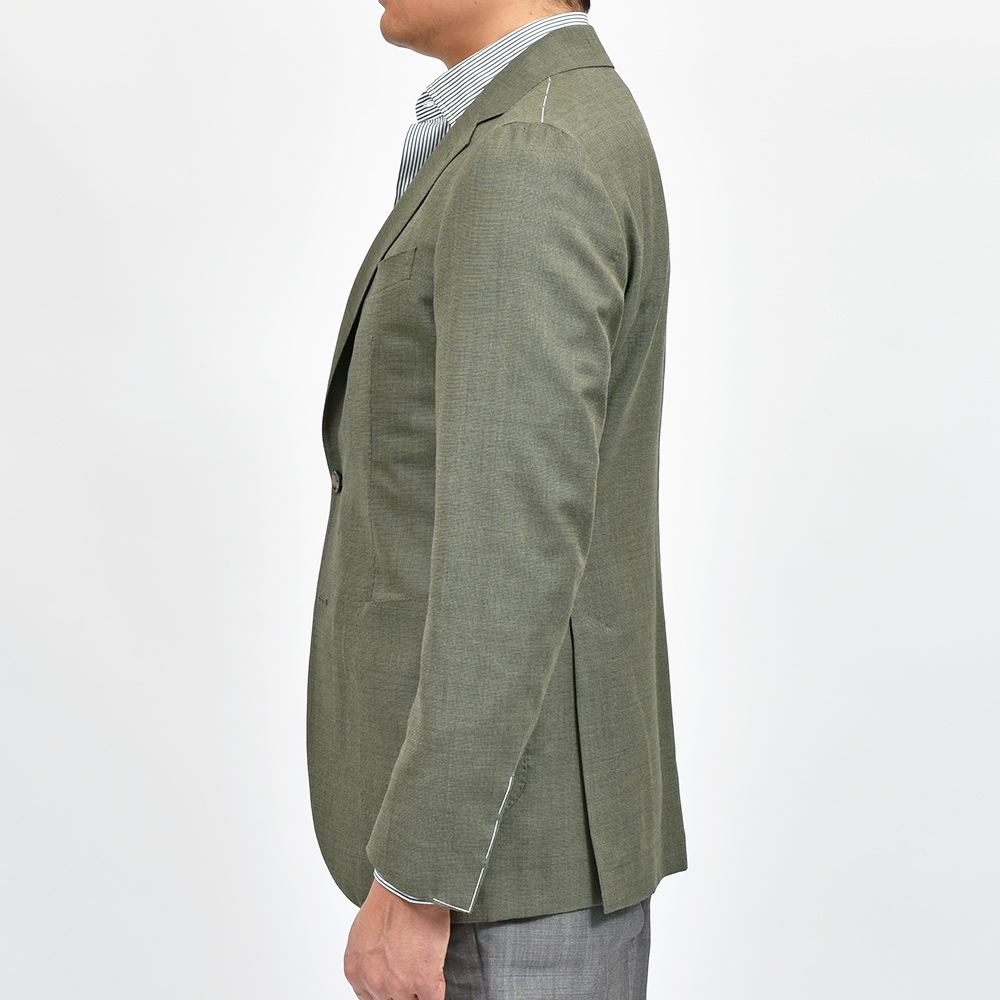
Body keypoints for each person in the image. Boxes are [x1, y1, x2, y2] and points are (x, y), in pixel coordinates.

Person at [305, 2, 686, 997]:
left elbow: (510, 550)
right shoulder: (550, 119)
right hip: (510, 856)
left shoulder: (531, 152)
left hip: (498, 873)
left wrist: (417, 880)